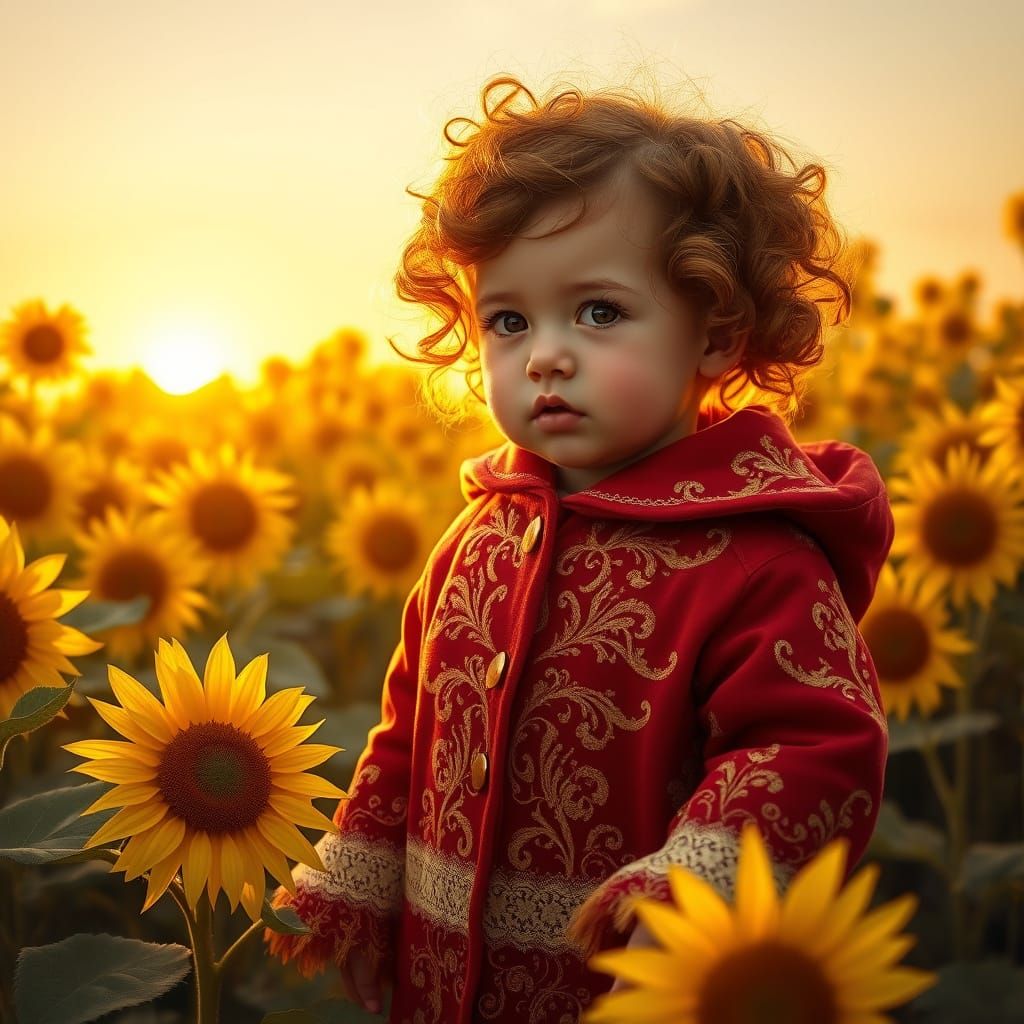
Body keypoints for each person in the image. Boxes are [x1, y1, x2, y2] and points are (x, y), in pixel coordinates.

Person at [265, 72, 893, 1023]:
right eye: (508, 320)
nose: (545, 354)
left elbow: (817, 746)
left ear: (716, 333)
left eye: (598, 312)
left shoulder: (759, 561)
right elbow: (411, 726)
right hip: (440, 983)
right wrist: (367, 876)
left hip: (636, 991)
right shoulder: (477, 540)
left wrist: (695, 894)